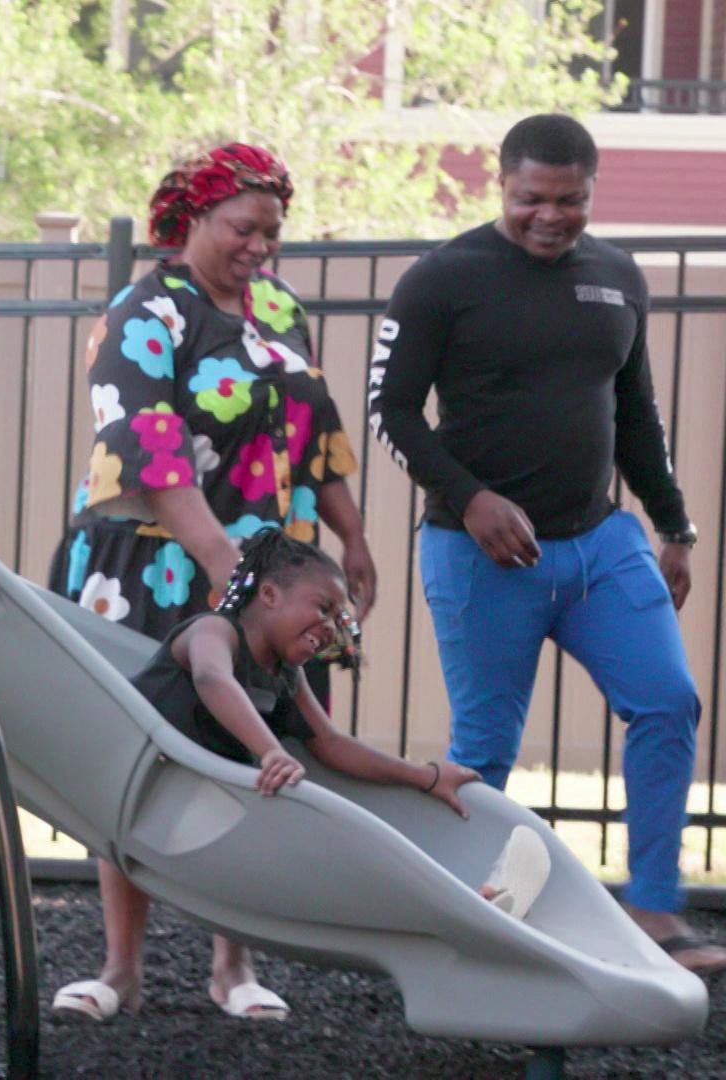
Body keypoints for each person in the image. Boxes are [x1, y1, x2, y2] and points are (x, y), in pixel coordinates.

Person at [370, 113, 724, 975]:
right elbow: (393, 413)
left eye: (571, 200)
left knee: (668, 702)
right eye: (533, 198)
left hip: (600, 542)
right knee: (485, 750)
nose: (551, 216)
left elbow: (634, 413)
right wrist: (471, 496)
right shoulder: (441, 279)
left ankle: (649, 910)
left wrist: (672, 524)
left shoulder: (617, 276)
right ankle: (468, 923)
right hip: (480, 550)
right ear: (503, 185)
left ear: (593, 191)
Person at [48, 143, 377, 1020]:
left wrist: (351, 536)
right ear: (191, 218)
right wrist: (224, 564)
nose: (260, 248)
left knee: (259, 747)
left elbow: (317, 431)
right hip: (157, 565)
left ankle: (234, 966)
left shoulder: (277, 308)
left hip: (268, 569)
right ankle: (121, 968)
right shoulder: (143, 312)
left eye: (273, 232)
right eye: (244, 229)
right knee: (137, 749)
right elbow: (144, 447)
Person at [52, 529, 547, 1022]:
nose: (332, 627)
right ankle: (121, 972)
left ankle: (235, 970)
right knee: (121, 840)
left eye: (339, 617)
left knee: (258, 826)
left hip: (215, 805)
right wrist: (269, 751)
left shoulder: (286, 675)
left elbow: (329, 743)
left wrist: (423, 775)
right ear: (269, 595)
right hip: (139, 782)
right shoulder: (213, 632)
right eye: (323, 607)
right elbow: (211, 678)